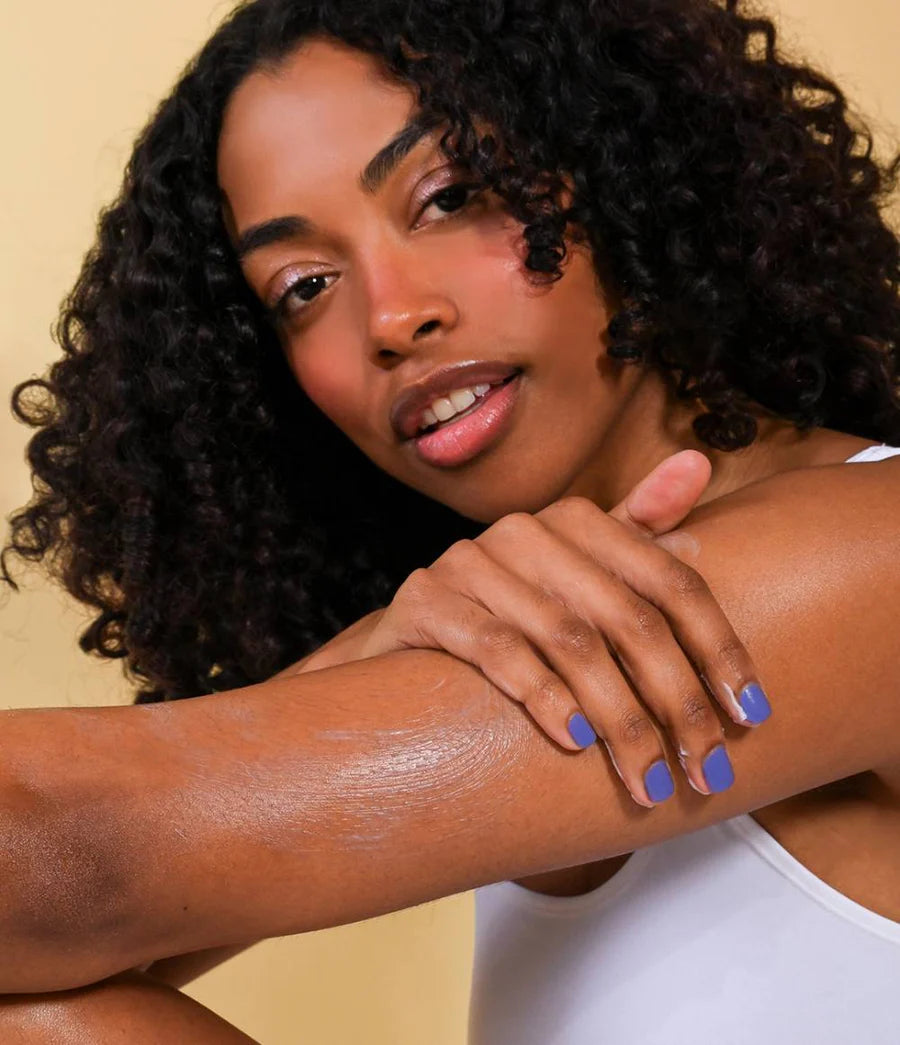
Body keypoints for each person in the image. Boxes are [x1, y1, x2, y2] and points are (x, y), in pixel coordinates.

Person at [1, 0, 898, 1041]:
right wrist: (381, 644)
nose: (391, 317)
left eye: (451, 196)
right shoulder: (509, 631)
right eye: (305, 286)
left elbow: (61, 854)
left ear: (619, 165)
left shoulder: (874, 556)